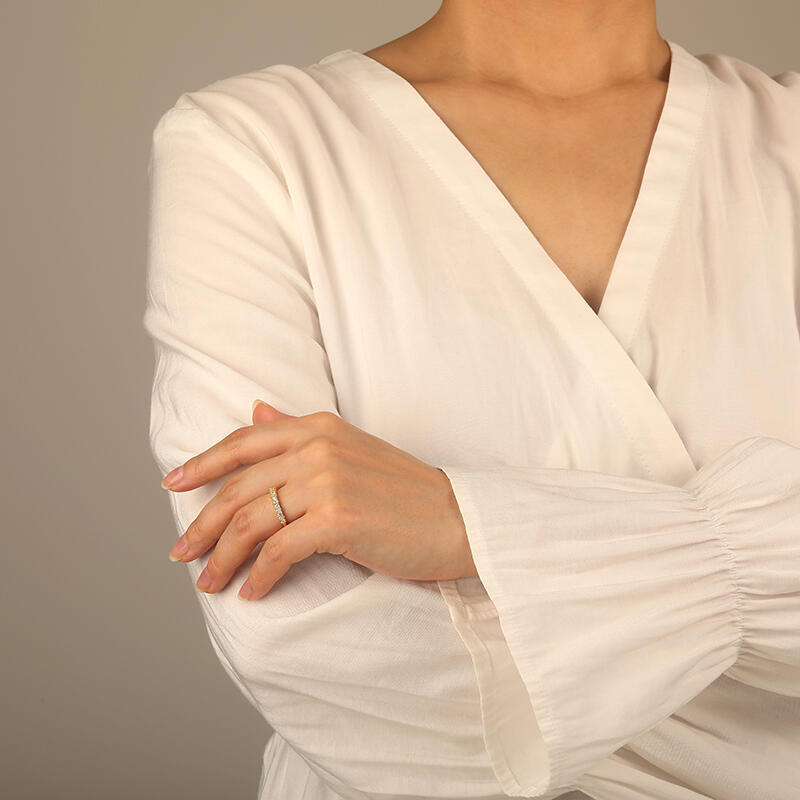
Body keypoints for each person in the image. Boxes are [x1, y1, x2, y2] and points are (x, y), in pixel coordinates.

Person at [143, 1, 800, 798]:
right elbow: (323, 671)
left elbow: (408, 681)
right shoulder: (253, 148)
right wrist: (746, 616)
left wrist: (469, 525)